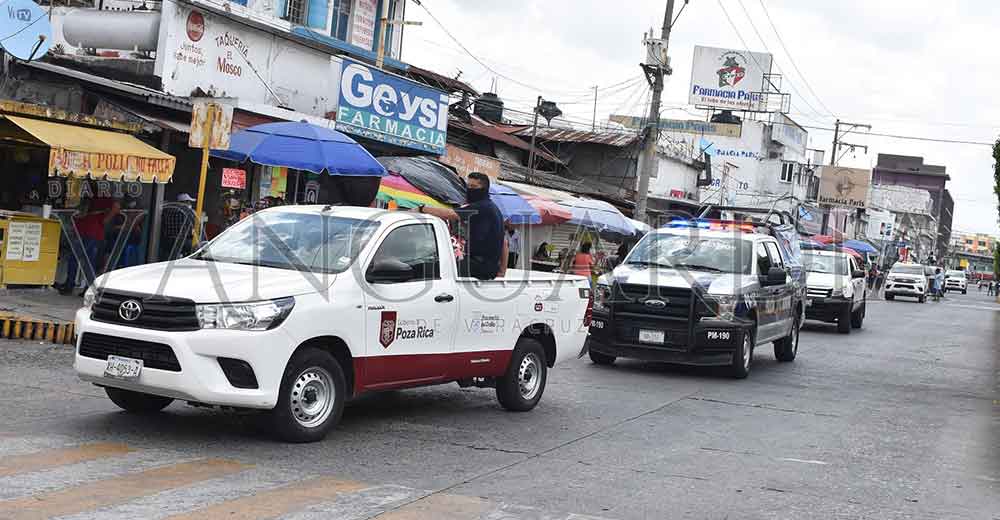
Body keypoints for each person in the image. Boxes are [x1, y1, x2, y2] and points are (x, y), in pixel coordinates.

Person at [418, 172, 506, 280]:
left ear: (484, 189)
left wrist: (422, 209)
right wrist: (502, 271)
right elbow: (504, 243)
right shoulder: (493, 208)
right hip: (485, 267)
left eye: (474, 187)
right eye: (468, 186)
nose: (470, 190)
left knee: (426, 268)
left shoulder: (482, 207)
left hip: (479, 266)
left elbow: (451, 214)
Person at [60, 198, 114, 295]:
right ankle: (81, 287)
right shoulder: (95, 195)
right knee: (85, 261)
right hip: (86, 231)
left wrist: (103, 221)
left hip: (91, 232)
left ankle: (71, 286)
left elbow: (115, 208)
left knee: (80, 260)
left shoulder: (101, 196)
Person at [160, 193, 196, 260]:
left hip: (168, 241)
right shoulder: (187, 212)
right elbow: (192, 227)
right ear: (184, 202)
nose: (190, 204)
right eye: (189, 202)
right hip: (182, 242)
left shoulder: (168, 211)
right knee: (196, 246)